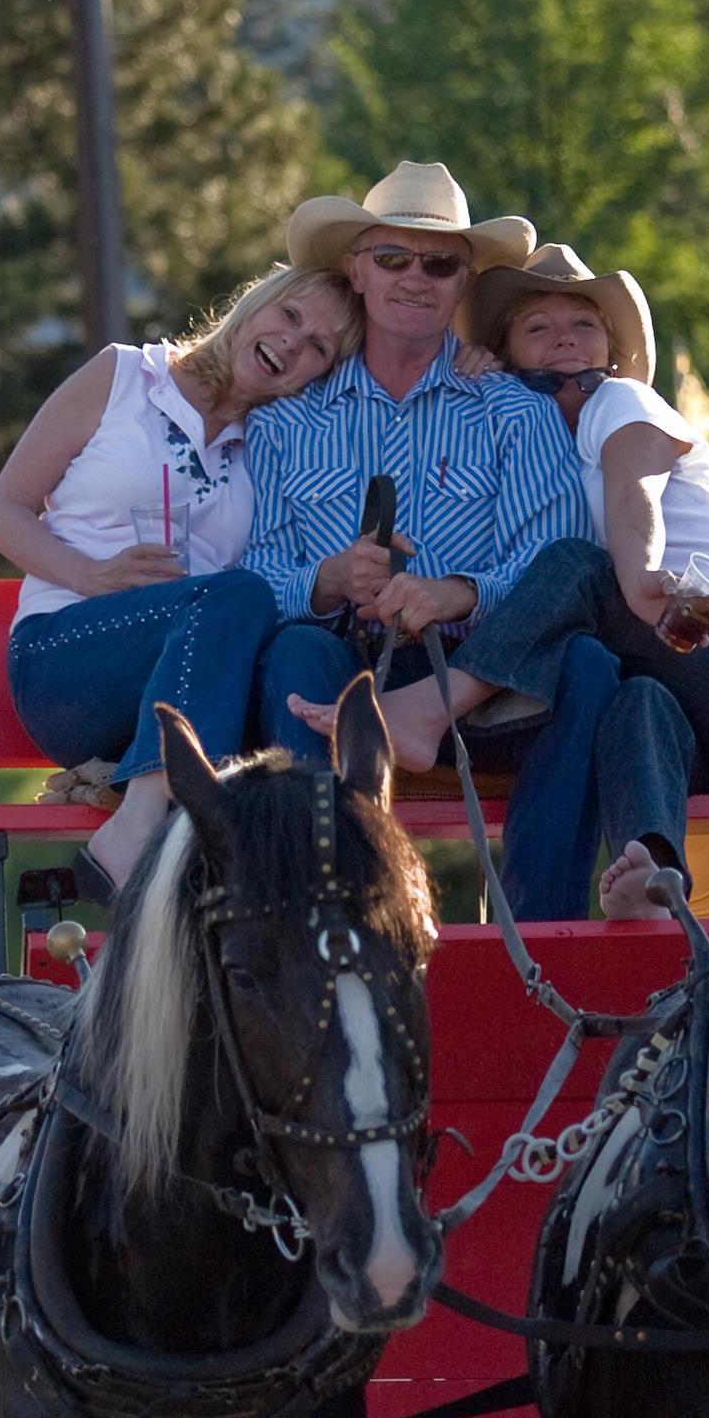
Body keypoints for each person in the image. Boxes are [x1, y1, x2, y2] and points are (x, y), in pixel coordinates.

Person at [292, 245, 709, 917]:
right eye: (537, 328)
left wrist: (636, 576)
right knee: (631, 699)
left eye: (583, 324)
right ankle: (653, 873)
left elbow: (633, 487)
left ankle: (429, 710)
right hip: (696, 721)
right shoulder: (528, 447)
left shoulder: (622, 404)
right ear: (507, 356)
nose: (565, 339)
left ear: (610, 349)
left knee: (575, 561)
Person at [243, 162, 624, 919]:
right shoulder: (284, 421)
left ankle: (543, 934)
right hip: (343, 670)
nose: (415, 278)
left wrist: (459, 592)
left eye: (440, 262)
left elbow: (558, 557)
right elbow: (252, 569)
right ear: (357, 270)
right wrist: (325, 581)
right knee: (293, 654)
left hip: (481, 680)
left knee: (585, 665)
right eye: (393, 258)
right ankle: (321, 919)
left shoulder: (514, 411)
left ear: (464, 279)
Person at [0, 262, 362, 891]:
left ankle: (295, 881)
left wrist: (477, 352)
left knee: (299, 645)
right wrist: (91, 574)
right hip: (72, 661)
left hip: (200, 683)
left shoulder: (270, 441)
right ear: (254, 304)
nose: (293, 342)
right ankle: (148, 822)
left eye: (318, 346)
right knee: (238, 593)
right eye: (289, 316)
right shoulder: (126, 376)